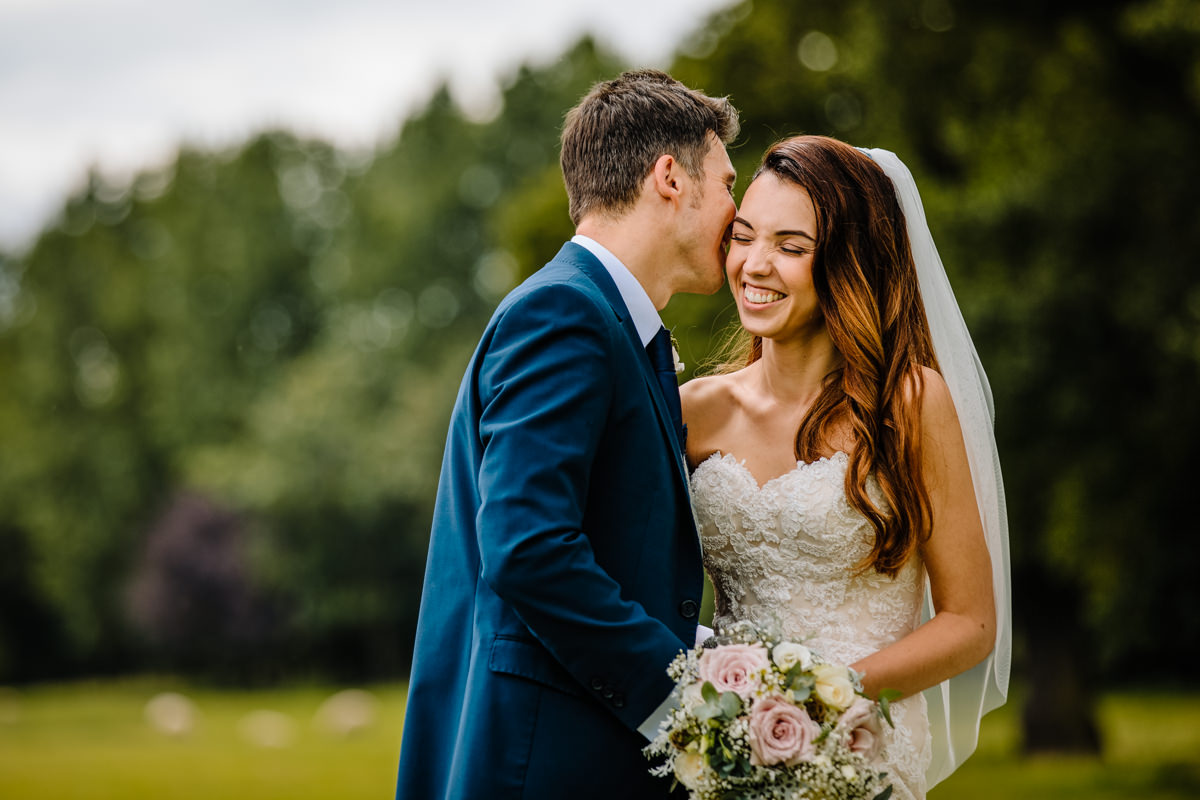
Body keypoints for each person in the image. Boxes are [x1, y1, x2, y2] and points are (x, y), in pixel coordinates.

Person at [395, 70, 740, 799]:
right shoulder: (565, 315)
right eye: (729, 183)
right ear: (670, 178)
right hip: (541, 763)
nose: (737, 216)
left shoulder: (610, 324)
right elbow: (528, 548)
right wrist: (685, 693)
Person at [681, 135, 1011, 799]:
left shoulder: (910, 405)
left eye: (791, 247)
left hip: (862, 757)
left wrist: (819, 705)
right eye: (744, 236)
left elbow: (971, 623)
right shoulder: (693, 412)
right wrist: (719, 701)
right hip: (726, 757)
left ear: (847, 263)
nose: (755, 264)